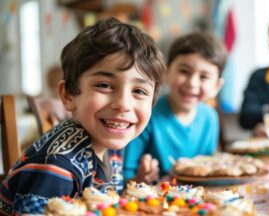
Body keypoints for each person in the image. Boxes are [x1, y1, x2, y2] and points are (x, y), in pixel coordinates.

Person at [0, 17, 165, 215]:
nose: (123, 104)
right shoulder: (57, 164)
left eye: (139, 91)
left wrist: (136, 183)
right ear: (68, 95)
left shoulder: (109, 143)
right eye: (104, 85)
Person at [123, 32, 227, 183]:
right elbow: (125, 175)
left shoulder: (210, 117)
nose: (192, 83)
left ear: (217, 86)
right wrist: (140, 178)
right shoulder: (147, 114)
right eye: (184, 71)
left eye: (204, 77)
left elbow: (207, 169)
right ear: (166, 72)